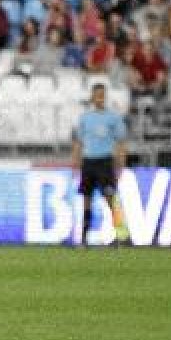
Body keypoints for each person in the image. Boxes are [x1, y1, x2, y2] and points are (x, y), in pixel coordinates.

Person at [72, 83, 128, 246]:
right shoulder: (85, 118)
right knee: (86, 200)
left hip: (105, 161)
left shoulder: (113, 118)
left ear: (105, 97)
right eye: (97, 95)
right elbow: (79, 142)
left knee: (111, 199)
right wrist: (76, 162)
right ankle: (84, 237)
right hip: (89, 162)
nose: (99, 99)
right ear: (92, 97)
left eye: (102, 95)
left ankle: (121, 235)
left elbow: (120, 143)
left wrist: (120, 165)